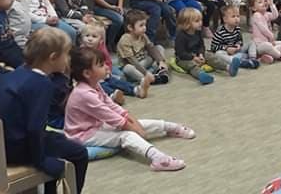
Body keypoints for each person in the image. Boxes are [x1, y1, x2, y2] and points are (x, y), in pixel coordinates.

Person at [64, 47, 193, 171]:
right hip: (83, 135)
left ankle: (172, 128)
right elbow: (110, 116)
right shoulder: (84, 94)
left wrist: (132, 120)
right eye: (101, 65)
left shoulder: (94, 84)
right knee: (126, 135)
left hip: (96, 125)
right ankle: (158, 159)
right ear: (87, 73)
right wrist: (136, 130)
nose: (107, 67)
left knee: (137, 123)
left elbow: (111, 105)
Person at [0, 28, 88, 194]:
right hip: (18, 150)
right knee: (79, 153)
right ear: (53, 57)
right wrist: (41, 161)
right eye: (66, 54)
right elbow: (35, 128)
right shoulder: (42, 84)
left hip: (2, 144)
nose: (68, 59)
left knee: (58, 139)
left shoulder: (18, 72)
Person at [81, 21, 151, 103]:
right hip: (91, 79)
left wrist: (107, 71)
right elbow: (80, 68)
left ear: (101, 40)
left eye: (94, 36)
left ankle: (136, 90)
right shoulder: (81, 52)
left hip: (104, 75)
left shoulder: (101, 49)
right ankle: (113, 96)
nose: (90, 39)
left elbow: (108, 62)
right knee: (103, 86)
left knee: (116, 82)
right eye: (87, 36)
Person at [174, 8, 241, 85]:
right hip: (184, 58)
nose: (200, 23)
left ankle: (228, 67)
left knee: (211, 56)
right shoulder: (180, 36)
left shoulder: (198, 32)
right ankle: (201, 75)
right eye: (197, 21)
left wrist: (201, 54)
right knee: (191, 65)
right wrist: (193, 58)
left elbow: (201, 46)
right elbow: (181, 53)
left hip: (197, 54)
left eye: (201, 20)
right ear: (187, 23)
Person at [117, 10, 169, 85]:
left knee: (159, 48)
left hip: (144, 61)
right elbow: (132, 61)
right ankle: (150, 79)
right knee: (128, 68)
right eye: (141, 25)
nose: (144, 28)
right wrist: (145, 72)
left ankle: (162, 71)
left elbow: (151, 48)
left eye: (145, 25)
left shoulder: (142, 35)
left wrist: (160, 61)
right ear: (130, 27)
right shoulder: (125, 40)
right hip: (134, 65)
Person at [210, 5, 259, 69]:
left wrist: (238, 45)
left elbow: (240, 41)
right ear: (225, 19)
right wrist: (226, 49)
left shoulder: (237, 29)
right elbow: (213, 47)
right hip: (226, 53)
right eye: (233, 16)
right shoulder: (220, 31)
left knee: (251, 42)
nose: (236, 19)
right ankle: (239, 62)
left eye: (238, 16)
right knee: (218, 54)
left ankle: (252, 59)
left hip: (236, 51)